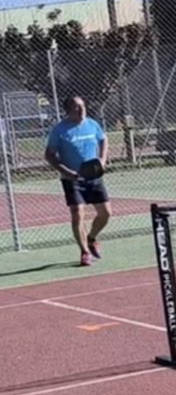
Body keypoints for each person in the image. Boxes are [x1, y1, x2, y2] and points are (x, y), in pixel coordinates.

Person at [44, 96, 110, 267]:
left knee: (105, 213)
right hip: (72, 179)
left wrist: (102, 160)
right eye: (76, 107)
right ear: (68, 111)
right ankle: (85, 251)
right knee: (77, 213)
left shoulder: (92, 124)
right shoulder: (59, 130)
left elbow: (103, 139)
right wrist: (66, 172)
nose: (81, 110)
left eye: (82, 106)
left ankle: (91, 238)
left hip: (94, 176)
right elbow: (49, 155)